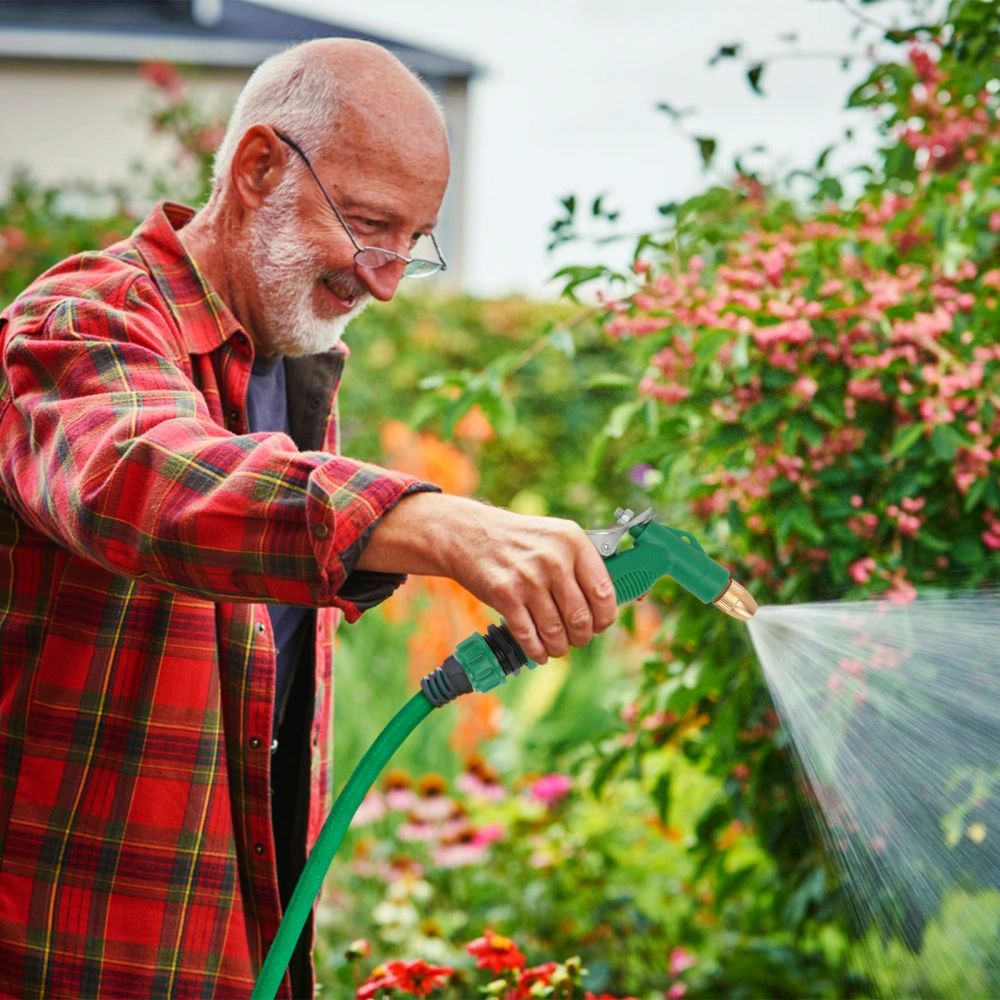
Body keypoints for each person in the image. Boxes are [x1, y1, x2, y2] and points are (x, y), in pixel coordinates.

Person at [0, 38, 617, 1000]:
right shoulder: (83, 322)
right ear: (257, 169)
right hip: (74, 956)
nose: (384, 279)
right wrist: (438, 524)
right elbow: (146, 479)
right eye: (372, 227)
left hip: (222, 956)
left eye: (412, 245)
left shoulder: (289, 370)